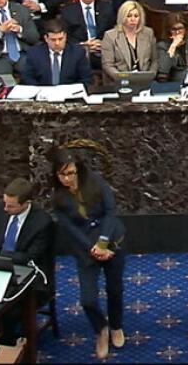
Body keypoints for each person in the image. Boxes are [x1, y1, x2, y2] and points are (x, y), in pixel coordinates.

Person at [51, 148, 127, 359]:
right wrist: (92, 248)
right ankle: (101, 328)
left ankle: (116, 326)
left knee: (114, 289)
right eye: (62, 174)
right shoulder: (58, 198)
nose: (67, 178)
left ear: (78, 170)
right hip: (85, 249)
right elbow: (70, 229)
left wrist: (103, 242)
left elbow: (111, 211)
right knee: (88, 300)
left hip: (111, 241)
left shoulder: (95, 182)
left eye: (71, 173)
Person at [61, 0, 116, 69]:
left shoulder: (106, 9)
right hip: (79, 51)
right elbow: (66, 36)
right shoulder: (68, 11)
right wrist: (83, 45)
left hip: (103, 50)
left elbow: (113, 30)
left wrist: (103, 43)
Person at [24, 18, 92, 86]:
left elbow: (86, 79)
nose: (57, 43)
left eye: (60, 39)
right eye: (53, 40)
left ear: (65, 36)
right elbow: (28, 78)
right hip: (43, 93)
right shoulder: (34, 53)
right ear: (46, 38)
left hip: (69, 93)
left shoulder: (77, 53)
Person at [100, 0, 156, 82]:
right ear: (122, 17)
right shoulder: (110, 36)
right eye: (129, 16)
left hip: (145, 80)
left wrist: (150, 75)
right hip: (119, 81)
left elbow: (154, 60)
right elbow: (107, 65)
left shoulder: (148, 33)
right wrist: (121, 78)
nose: (133, 19)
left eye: (136, 16)